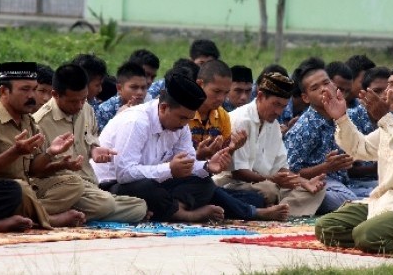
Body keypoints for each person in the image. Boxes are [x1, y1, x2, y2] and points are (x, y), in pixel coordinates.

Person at [315, 57, 393, 254]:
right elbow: (360, 148)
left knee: (366, 235)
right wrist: (341, 118)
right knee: (326, 227)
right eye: (387, 86)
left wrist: (385, 118)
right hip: (385, 201)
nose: (387, 92)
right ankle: (375, 237)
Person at [91, 73, 232, 222]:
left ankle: (174, 208)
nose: (185, 124)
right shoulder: (136, 122)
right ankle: (183, 215)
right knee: (147, 188)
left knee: (205, 183)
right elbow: (125, 174)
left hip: (154, 180)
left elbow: (187, 162)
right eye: (182, 118)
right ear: (164, 108)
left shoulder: (180, 125)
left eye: (189, 119)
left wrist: (208, 166)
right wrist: (169, 170)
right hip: (114, 185)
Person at [34, 64, 148, 222]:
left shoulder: (86, 109)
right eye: (73, 101)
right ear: (56, 95)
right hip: (63, 188)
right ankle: (42, 214)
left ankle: (75, 215)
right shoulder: (39, 122)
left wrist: (94, 151)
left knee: (140, 206)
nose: (80, 106)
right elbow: (35, 172)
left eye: (83, 99)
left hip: (90, 186)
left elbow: (91, 141)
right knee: (104, 204)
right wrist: (61, 164)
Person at [0, 61, 86, 229]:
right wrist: (15, 151)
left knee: (74, 183)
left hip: (23, 189)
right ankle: (48, 219)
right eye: (25, 90)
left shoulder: (29, 121)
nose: (32, 96)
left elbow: (33, 170)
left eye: (34, 89)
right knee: (18, 188)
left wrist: (50, 154)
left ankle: (28, 213)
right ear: (4, 91)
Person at [216, 72, 326, 217]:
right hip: (234, 183)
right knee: (269, 190)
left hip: (268, 182)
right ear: (261, 96)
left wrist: (304, 182)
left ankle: (279, 211)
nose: (279, 112)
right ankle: (272, 210)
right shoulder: (242, 120)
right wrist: (270, 179)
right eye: (276, 104)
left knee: (316, 190)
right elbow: (238, 172)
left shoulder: (273, 124)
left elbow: (280, 168)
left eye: (283, 106)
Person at [190, 60, 289, 221]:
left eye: (225, 92)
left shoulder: (221, 116)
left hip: (205, 180)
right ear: (200, 84)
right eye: (216, 91)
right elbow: (178, 162)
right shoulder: (186, 113)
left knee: (253, 197)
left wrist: (232, 148)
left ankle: (206, 209)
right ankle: (254, 213)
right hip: (187, 181)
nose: (221, 98)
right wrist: (199, 157)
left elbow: (219, 163)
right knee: (207, 189)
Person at [285, 57, 357, 214]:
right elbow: (289, 173)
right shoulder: (304, 128)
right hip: (315, 184)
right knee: (352, 204)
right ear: (305, 97)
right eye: (315, 88)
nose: (324, 89)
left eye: (326, 83)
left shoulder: (342, 115)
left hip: (340, 182)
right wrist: (327, 167)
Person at [96, 62, 150, 132]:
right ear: (119, 88)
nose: (140, 92)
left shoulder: (148, 107)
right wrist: (118, 118)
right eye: (134, 87)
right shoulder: (105, 111)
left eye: (143, 88)